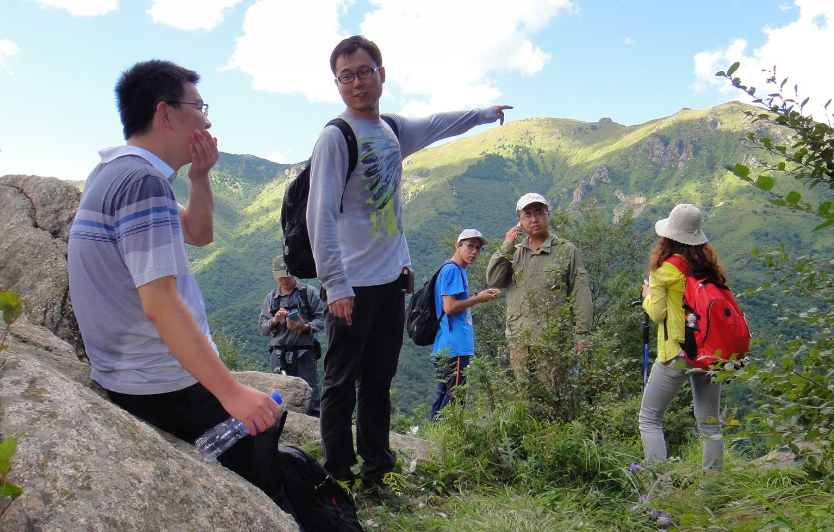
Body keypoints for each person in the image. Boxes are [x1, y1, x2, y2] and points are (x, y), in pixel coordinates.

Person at [307, 34, 512, 494]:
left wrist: (482, 114)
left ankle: (376, 470)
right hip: (349, 286)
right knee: (340, 382)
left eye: (363, 71)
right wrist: (335, 284)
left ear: (381, 73)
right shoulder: (335, 138)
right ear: (336, 84)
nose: (356, 83)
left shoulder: (392, 130)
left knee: (379, 380)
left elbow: (438, 123)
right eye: (345, 76)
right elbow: (318, 214)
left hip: (389, 282)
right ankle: (336, 474)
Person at [67, 60, 281, 490]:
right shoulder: (141, 181)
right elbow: (160, 303)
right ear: (165, 113)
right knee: (263, 478)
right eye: (199, 107)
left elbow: (198, 234)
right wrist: (231, 392)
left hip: (129, 375)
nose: (207, 118)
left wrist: (199, 177)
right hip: (162, 382)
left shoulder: (114, 172)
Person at [639, 203, 725, 471]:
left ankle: (659, 491)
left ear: (668, 236)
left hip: (677, 352)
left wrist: (646, 297)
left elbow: (658, 313)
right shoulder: (708, 269)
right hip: (711, 352)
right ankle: (713, 488)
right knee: (709, 421)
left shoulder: (664, 270)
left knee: (650, 419)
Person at [485, 193, 593, 386]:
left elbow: (581, 294)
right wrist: (506, 247)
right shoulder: (514, 253)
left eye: (539, 213)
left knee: (554, 397)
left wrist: (581, 335)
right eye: (527, 215)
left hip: (553, 340)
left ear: (548, 214)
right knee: (525, 399)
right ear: (519, 220)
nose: (534, 219)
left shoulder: (566, 250)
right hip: (519, 340)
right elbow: (493, 279)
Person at [429, 229, 500, 421]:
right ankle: (445, 442)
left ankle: (436, 438)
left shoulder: (455, 269)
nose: (474, 251)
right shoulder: (452, 270)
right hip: (455, 346)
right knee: (454, 398)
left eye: (478, 248)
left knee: (445, 397)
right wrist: (478, 299)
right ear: (457, 246)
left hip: (448, 345)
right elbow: (450, 307)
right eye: (470, 246)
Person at [258, 255, 326, 416]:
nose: (284, 279)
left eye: (287, 274)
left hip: (304, 353)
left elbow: (323, 320)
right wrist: (274, 320)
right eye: (280, 275)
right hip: (278, 354)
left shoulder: (308, 293)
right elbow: (262, 328)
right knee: (279, 394)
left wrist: (304, 326)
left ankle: (314, 429)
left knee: (310, 393)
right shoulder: (271, 299)